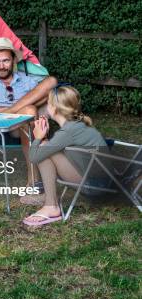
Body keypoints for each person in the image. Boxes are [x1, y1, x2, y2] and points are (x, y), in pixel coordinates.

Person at [0, 37, 58, 188]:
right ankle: (34, 178)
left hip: (22, 125)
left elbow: (49, 94)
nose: (1, 66)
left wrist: (15, 111)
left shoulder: (26, 81)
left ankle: (33, 180)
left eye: (6, 61)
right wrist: (8, 113)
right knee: (29, 109)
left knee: (51, 82)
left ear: (14, 60)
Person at [22, 85, 109, 226]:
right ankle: (49, 197)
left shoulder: (68, 131)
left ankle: (51, 207)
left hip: (95, 186)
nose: (46, 106)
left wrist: (38, 137)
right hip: (102, 181)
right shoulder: (76, 125)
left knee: (43, 149)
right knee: (46, 147)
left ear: (54, 108)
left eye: (48, 103)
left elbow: (33, 158)